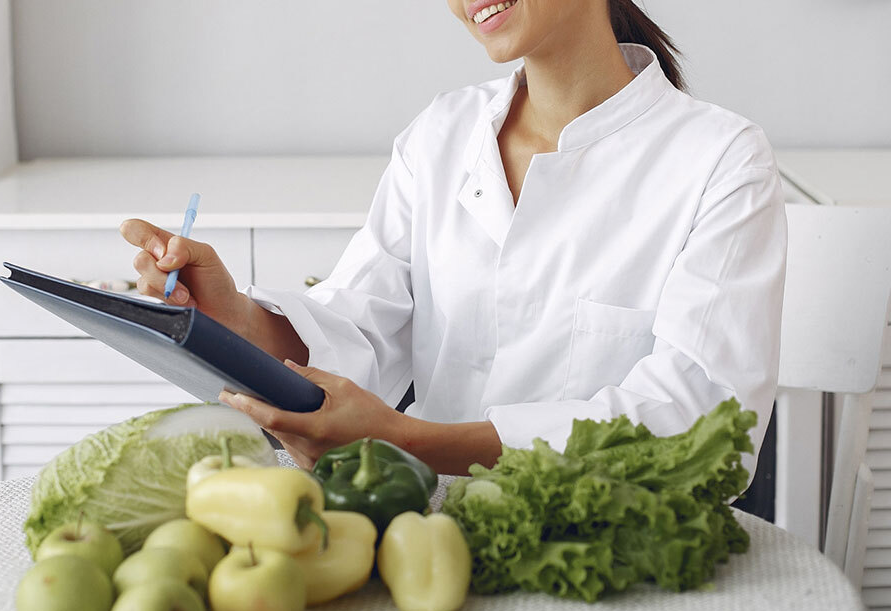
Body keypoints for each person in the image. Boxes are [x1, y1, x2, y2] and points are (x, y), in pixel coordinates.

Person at [121, 0, 787, 478]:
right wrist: (227, 318)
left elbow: (700, 424)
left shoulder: (720, 159)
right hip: (431, 540)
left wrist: (411, 439)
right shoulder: (441, 135)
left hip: (622, 565)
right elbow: (359, 333)